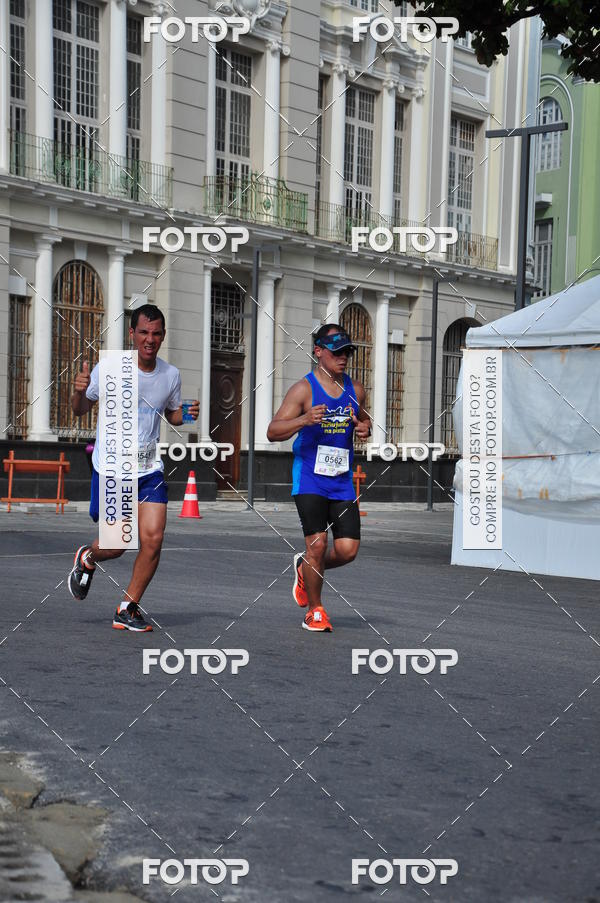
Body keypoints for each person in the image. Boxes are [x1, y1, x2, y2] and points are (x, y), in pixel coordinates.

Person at [68, 304, 198, 632]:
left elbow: (171, 415)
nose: (149, 339)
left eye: (156, 333)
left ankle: (128, 606)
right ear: (132, 334)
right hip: (113, 468)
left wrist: (187, 413)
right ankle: (88, 557)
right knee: (116, 545)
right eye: (143, 332)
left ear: (163, 335)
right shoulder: (110, 367)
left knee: (153, 538)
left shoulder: (170, 375)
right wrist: (78, 391)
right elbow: (81, 410)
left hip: (149, 467)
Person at [267, 324, 371, 632]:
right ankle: (315, 610)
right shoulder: (304, 389)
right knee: (317, 544)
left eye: (347, 352)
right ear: (319, 352)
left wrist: (365, 428)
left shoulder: (357, 389)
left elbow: (363, 422)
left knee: (348, 550)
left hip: (340, 479)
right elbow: (273, 431)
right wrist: (303, 419)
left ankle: (305, 566)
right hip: (310, 477)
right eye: (337, 352)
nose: (343, 358)